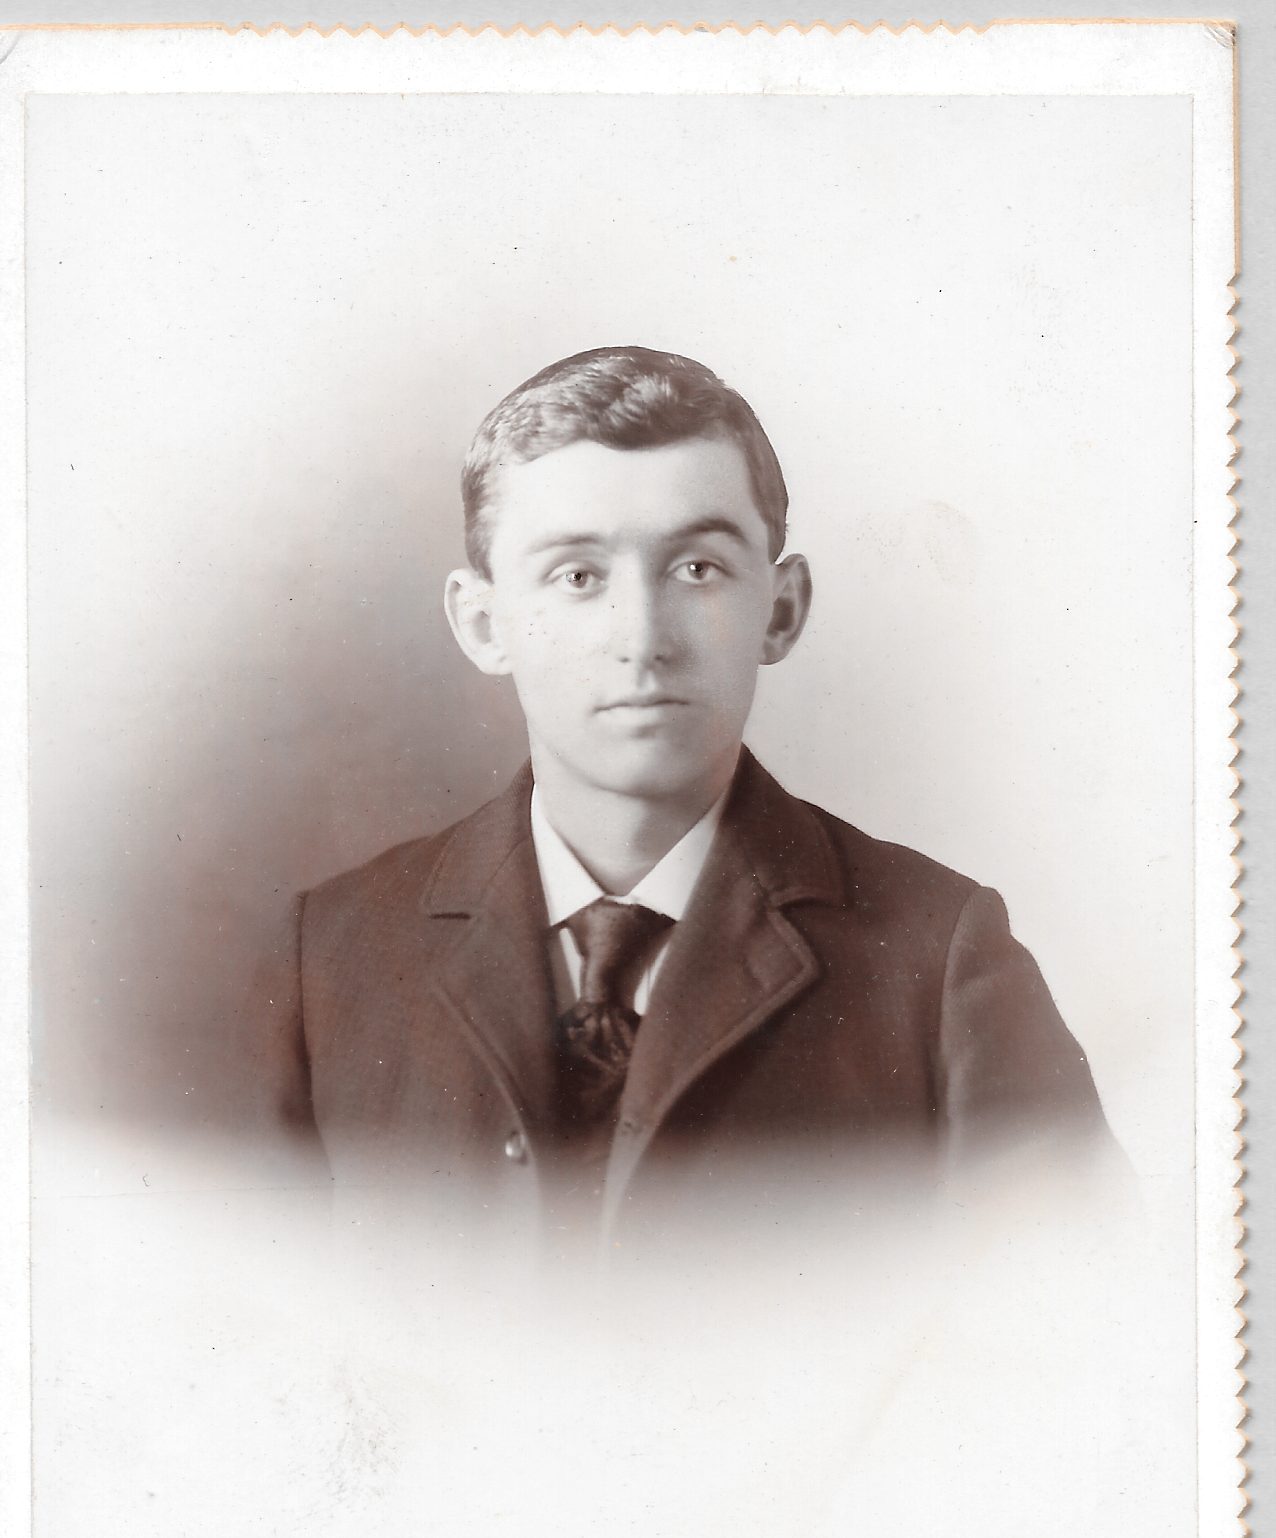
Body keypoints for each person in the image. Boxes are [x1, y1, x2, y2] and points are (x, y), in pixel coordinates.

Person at [261, 346, 1114, 1264]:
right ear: (483, 623)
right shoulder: (332, 955)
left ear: (780, 610)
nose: (642, 640)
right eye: (577, 576)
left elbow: (1069, 1317)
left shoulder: (940, 957)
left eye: (697, 568)